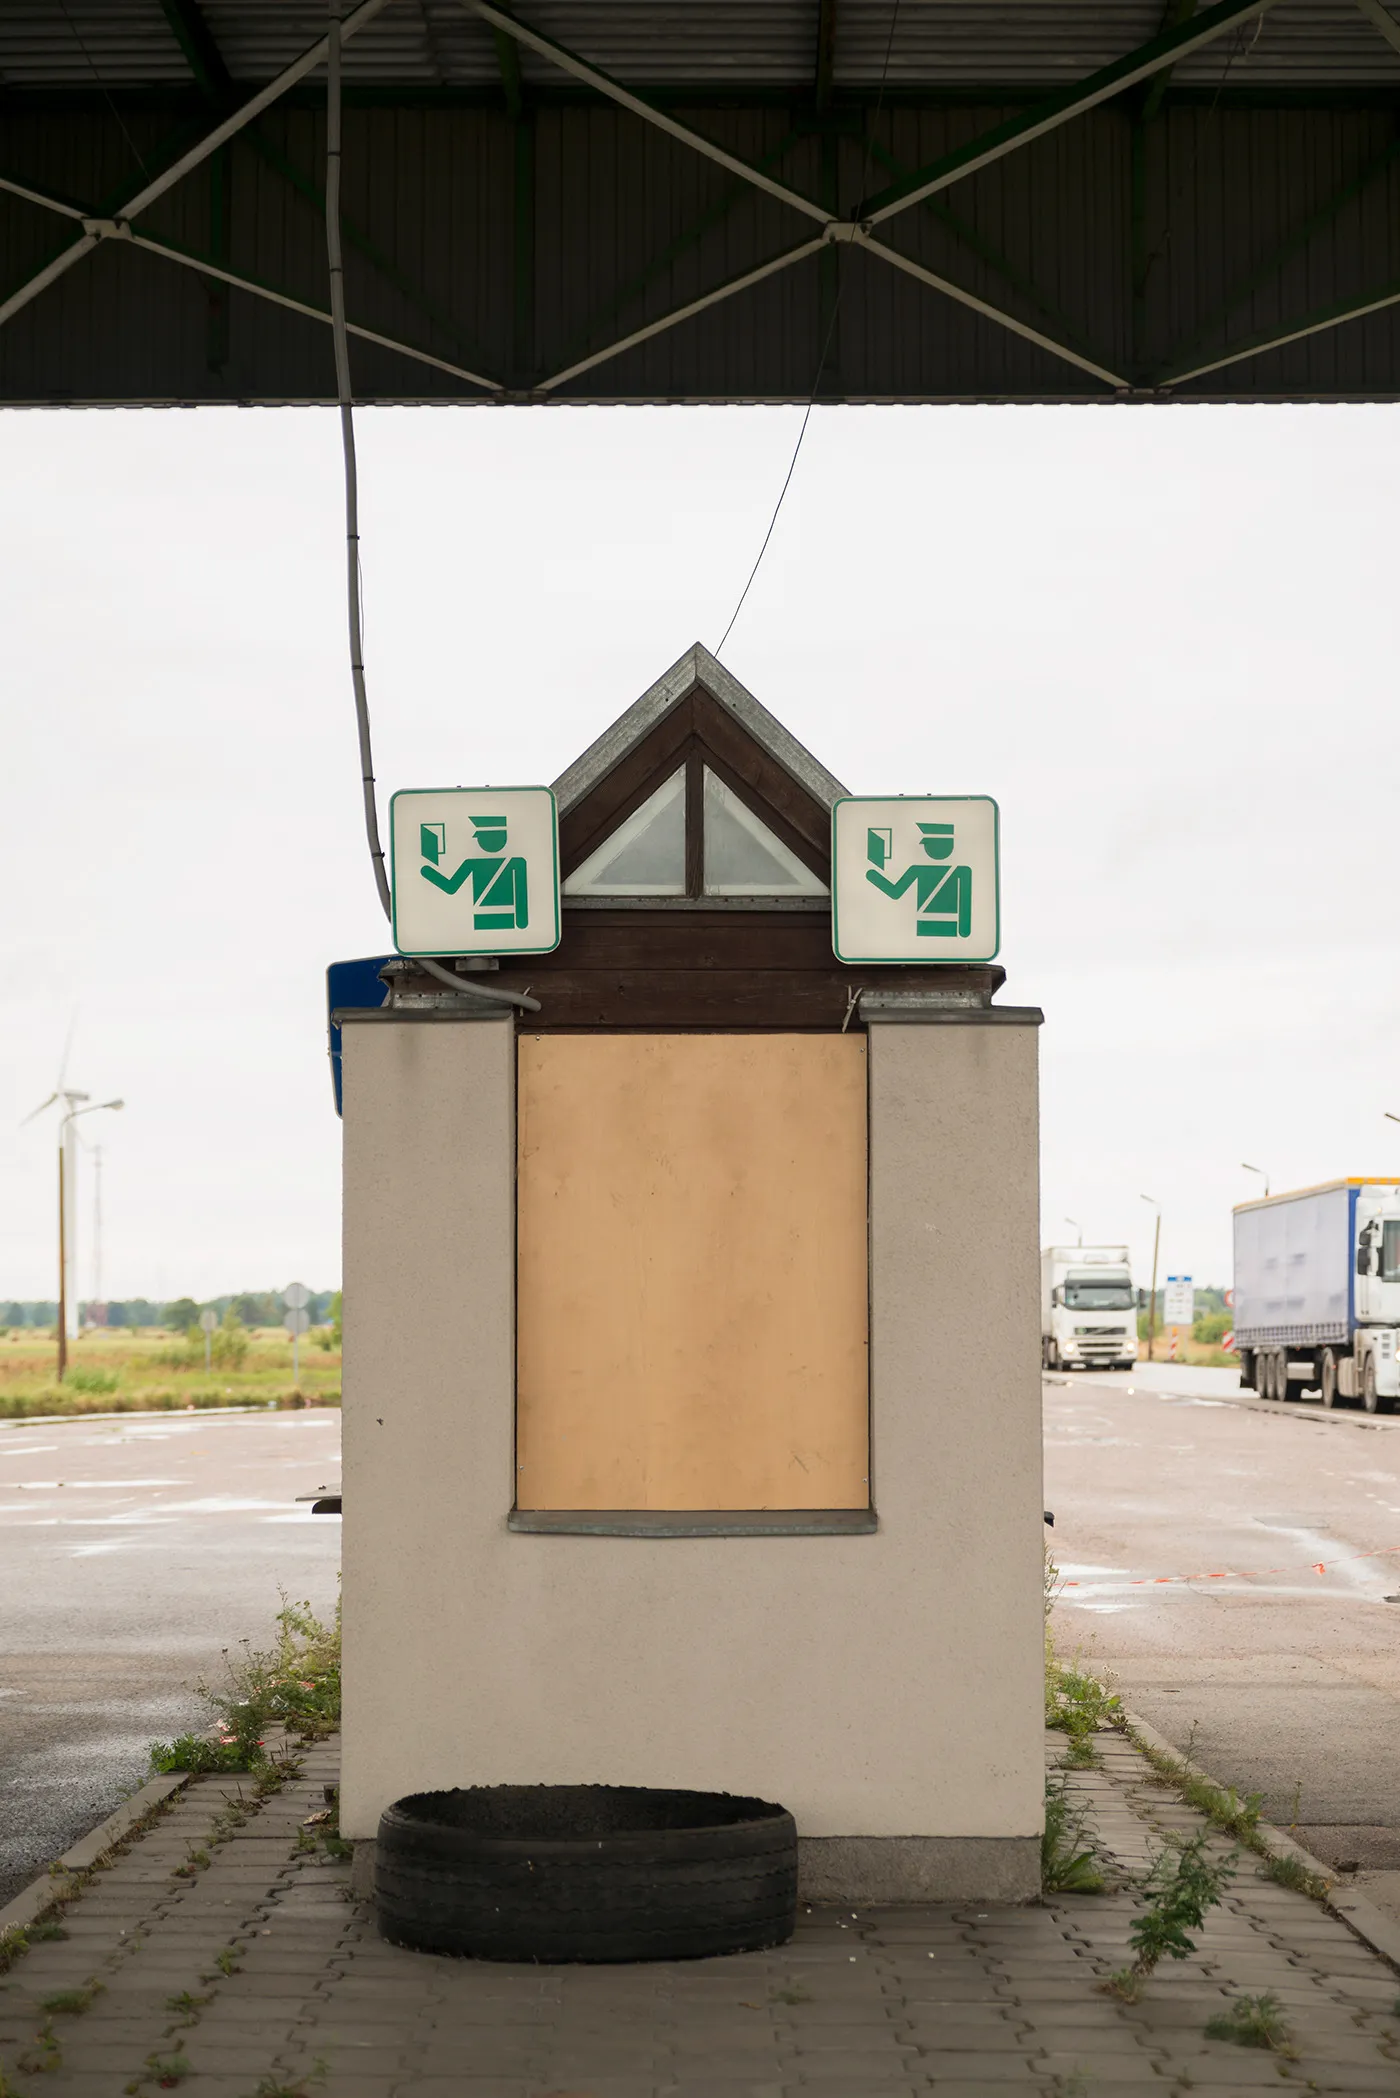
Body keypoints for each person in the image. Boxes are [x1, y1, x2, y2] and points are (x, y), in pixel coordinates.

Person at [419, 813, 529, 933]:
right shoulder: (517, 862)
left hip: (483, 917)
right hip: (502, 918)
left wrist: (427, 871)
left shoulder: (472, 863)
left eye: (480, 837)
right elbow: (521, 894)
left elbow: (450, 887)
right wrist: (522, 922)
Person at [864, 820, 971, 938]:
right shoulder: (963, 871)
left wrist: (873, 875)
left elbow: (895, 892)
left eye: (927, 844)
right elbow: (965, 904)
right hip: (940, 926)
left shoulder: (918, 870)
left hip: (925, 924)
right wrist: (964, 930)